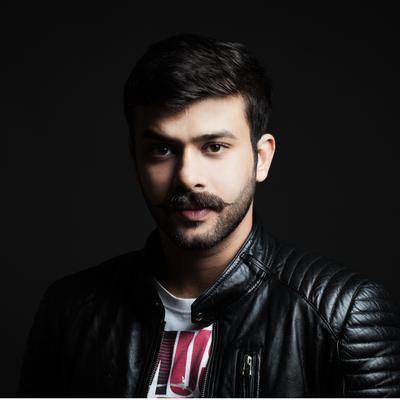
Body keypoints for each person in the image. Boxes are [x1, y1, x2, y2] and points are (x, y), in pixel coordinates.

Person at [18, 33, 400, 398]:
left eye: (214, 147)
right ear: (135, 160)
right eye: (162, 150)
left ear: (261, 158)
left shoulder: (343, 314)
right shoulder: (70, 311)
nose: (188, 177)